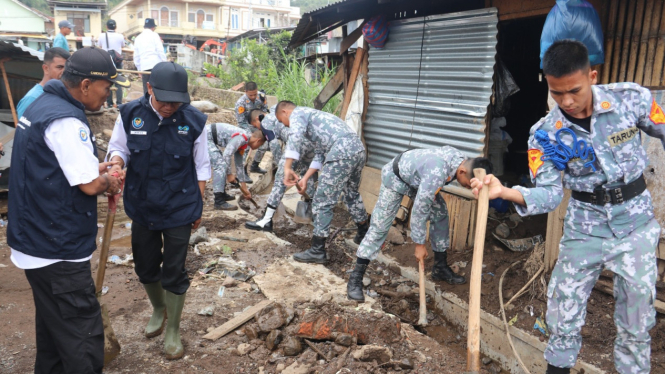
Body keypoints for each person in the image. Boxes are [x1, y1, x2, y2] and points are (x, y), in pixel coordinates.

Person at [471, 40, 665, 374]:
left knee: (636, 321)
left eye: (574, 90)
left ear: (592, 75)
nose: (567, 102)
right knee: (563, 314)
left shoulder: (631, 99)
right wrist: (506, 191)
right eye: (556, 93)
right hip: (584, 228)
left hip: (635, 226)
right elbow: (549, 195)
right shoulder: (545, 135)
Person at [8, 47, 126, 374]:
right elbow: (89, 185)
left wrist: (96, 167)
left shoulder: (41, 105)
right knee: (81, 334)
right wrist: (110, 179)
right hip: (56, 246)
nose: (108, 96)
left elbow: (56, 165)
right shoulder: (66, 119)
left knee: (53, 328)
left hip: (34, 239)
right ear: (86, 84)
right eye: (106, 88)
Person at [107, 61, 210, 360]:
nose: (170, 107)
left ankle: (173, 329)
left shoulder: (194, 120)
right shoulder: (129, 114)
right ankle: (158, 307)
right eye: (165, 100)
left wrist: (198, 205)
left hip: (180, 205)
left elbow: (201, 166)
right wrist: (116, 163)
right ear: (150, 88)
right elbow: (119, 148)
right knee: (145, 265)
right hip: (141, 204)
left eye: (177, 101)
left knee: (174, 270)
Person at [346, 147, 492, 301]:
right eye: (469, 184)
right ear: (462, 172)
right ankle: (355, 279)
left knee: (440, 212)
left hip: (418, 180)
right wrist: (419, 245)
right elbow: (419, 211)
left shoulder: (461, 160)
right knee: (379, 227)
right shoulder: (437, 173)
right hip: (396, 177)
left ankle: (440, 267)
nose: (469, 188)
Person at [275, 101, 369, 263]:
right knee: (351, 193)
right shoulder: (317, 119)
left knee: (322, 200)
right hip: (357, 150)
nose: (288, 126)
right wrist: (304, 178)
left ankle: (318, 250)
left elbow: (294, 137)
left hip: (341, 150)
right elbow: (320, 153)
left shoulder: (298, 113)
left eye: (284, 122)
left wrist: (287, 167)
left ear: (285, 112)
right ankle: (363, 233)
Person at [245, 108, 317, 232]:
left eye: (255, 125)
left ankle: (266, 221)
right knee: (309, 178)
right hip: (312, 145)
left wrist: (281, 167)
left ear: (257, 119)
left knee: (280, 181)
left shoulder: (265, 122)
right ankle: (313, 214)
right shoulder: (276, 115)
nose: (257, 128)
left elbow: (273, 144)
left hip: (296, 145)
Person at [207, 121, 265, 210]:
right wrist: (229, 174)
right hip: (204, 137)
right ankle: (218, 201)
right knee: (221, 165)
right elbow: (227, 154)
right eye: (260, 145)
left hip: (210, 138)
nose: (258, 147)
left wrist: (244, 188)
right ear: (258, 140)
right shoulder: (242, 138)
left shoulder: (245, 142)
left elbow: (239, 164)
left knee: (222, 164)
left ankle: (221, 194)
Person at [16, 47, 70, 119]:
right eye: (60, 67)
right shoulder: (32, 98)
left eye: (67, 68)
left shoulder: (64, 94)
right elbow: (24, 128)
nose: (64, 72)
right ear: (46, 69)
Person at [234, 82, 269, 179]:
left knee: (264, 144)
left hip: (258, 125)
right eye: (250, 95)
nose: (253, 96)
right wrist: (250, 134)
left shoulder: (261, 98)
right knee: (246, 147)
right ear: (245, 92)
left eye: (255, 94)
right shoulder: (240, 103)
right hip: (245, 126)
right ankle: (243, 171)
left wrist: (261, 126)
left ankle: (255, 165)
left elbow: (264, 111)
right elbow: (241, 122)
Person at [133, 18, 167, 93]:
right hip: (156, 66)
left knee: (147, 90)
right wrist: (165, 63)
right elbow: (160, 51)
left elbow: (136, 56)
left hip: (144, 67)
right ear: (153, 27)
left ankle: (147, 104)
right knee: (157, 89)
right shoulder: (154, 35)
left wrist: (139, 69)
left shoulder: (138, 38)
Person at [98, 19, 126, 108]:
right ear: (116, 27)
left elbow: (100, 46)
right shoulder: (120, 36)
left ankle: (109, 104)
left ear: (106, 27)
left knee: (108, 82)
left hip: (106, 61)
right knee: (118, 83)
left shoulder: (102, 36)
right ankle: (119, 104)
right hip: (117, 62)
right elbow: (123, 45)